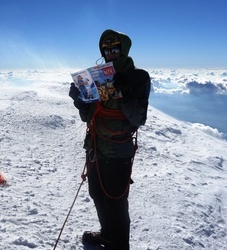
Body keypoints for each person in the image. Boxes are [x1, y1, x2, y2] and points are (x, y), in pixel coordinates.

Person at [69, 29, 150, 249]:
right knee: (96, 193)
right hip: (95, 146)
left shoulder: (138, 77)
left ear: (124, 49)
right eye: (106, 50)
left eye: (115, 49)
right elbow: (89, 116)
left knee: (116, 202)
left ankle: (120, 246)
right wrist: (81, 101)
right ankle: (107, 235)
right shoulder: (97, 77)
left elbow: (138, 119)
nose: (111, 54)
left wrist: (125, 93)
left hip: (118, 150)